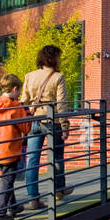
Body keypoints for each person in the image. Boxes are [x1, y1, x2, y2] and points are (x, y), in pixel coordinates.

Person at [21, 45, 69, 209]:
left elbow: (25, 101)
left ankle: (33, 197)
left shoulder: (29, 76)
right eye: (59, 57)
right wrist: (65, 126)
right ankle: (58, 190)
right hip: (52, 122)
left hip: (35, 121)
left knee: (32, 160)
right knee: (56, 156)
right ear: (53, 58)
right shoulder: (58, 77)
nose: (60, 60)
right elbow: (62, 104)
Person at [0, 74, 31, 220]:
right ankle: (0, 213)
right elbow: (26, 128)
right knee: (7, 180)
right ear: (15, 89)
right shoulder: (16, 107)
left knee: (6, 177)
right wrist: (28, 113)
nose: (19, 95)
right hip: (9, 148)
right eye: (19, 91)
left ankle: (14, 206)